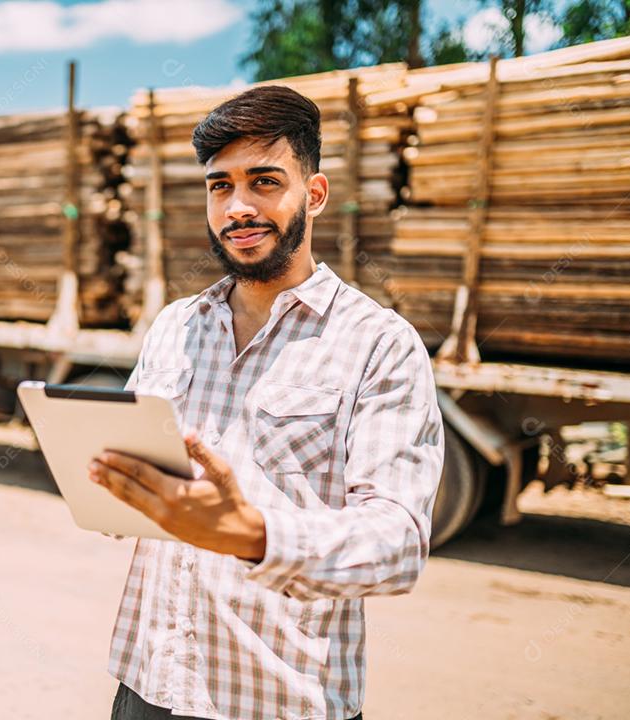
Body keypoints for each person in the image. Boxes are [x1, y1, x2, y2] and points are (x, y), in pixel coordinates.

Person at [88, 84, 445, 720]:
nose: (238, 207)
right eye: (220, 186)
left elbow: (397, 543)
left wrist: (254, 534)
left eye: (264, 181)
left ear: (314, 194)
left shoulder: (379, 344)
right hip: (148, 684)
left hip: (280, 700)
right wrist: (112, 489)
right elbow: (140, 482)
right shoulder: (175, 327)